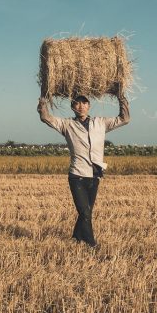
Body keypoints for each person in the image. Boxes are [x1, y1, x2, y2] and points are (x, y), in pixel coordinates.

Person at [37, 94, 130, 247]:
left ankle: (76, 237)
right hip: (77, 175)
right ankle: (91, 244)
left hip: (95, 175)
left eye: (84, 103)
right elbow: (46, 117)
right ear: (73, 107)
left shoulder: (100, 122)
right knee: (85, 213)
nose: (81, 106)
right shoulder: (66, 125)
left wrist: (122, 99)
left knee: (86, 213)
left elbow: (124, 119)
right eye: (77, 103)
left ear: (89, 106)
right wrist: (44, 99)